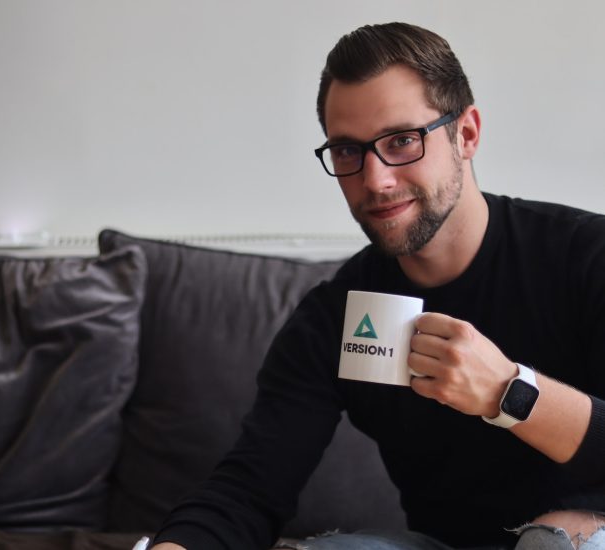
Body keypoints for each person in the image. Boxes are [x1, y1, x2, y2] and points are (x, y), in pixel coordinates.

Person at [149, 22, 605, 550]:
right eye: (348, 152)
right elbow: (250, 489)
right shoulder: (337, 316)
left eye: (403, 140)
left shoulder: (585, 257)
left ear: (468, 133)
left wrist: (509, 392)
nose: (376, 180)